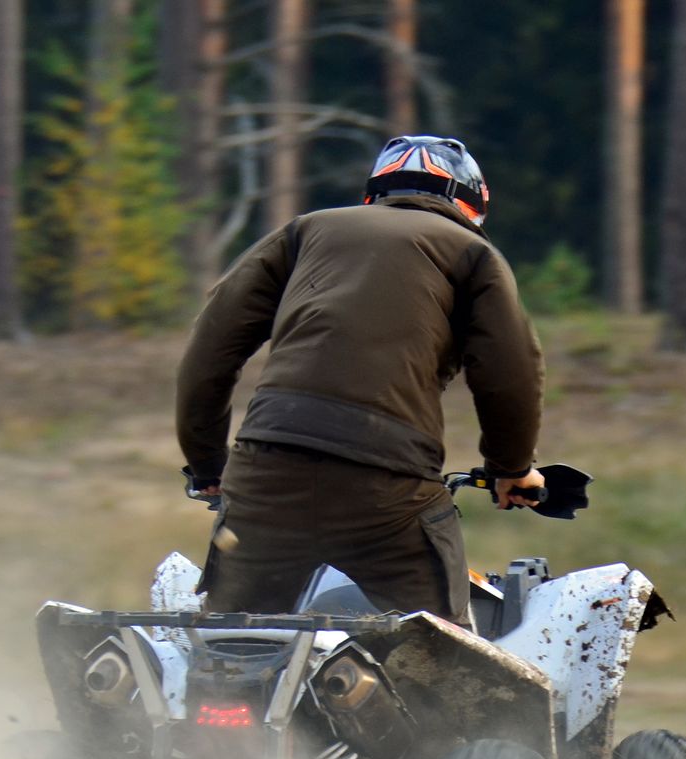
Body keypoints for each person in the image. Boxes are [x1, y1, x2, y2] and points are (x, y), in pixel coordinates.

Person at [175, 135, 546, 626]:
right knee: (435, 644)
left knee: (234, 640)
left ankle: (221, 677)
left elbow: (209, 353)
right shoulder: (473, 254)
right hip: (387, 481)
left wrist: (207, 465)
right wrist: (511, 467)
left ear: (376, 191)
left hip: (268, 467)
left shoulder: (304, 232)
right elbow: (509, 373)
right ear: (472, 203)